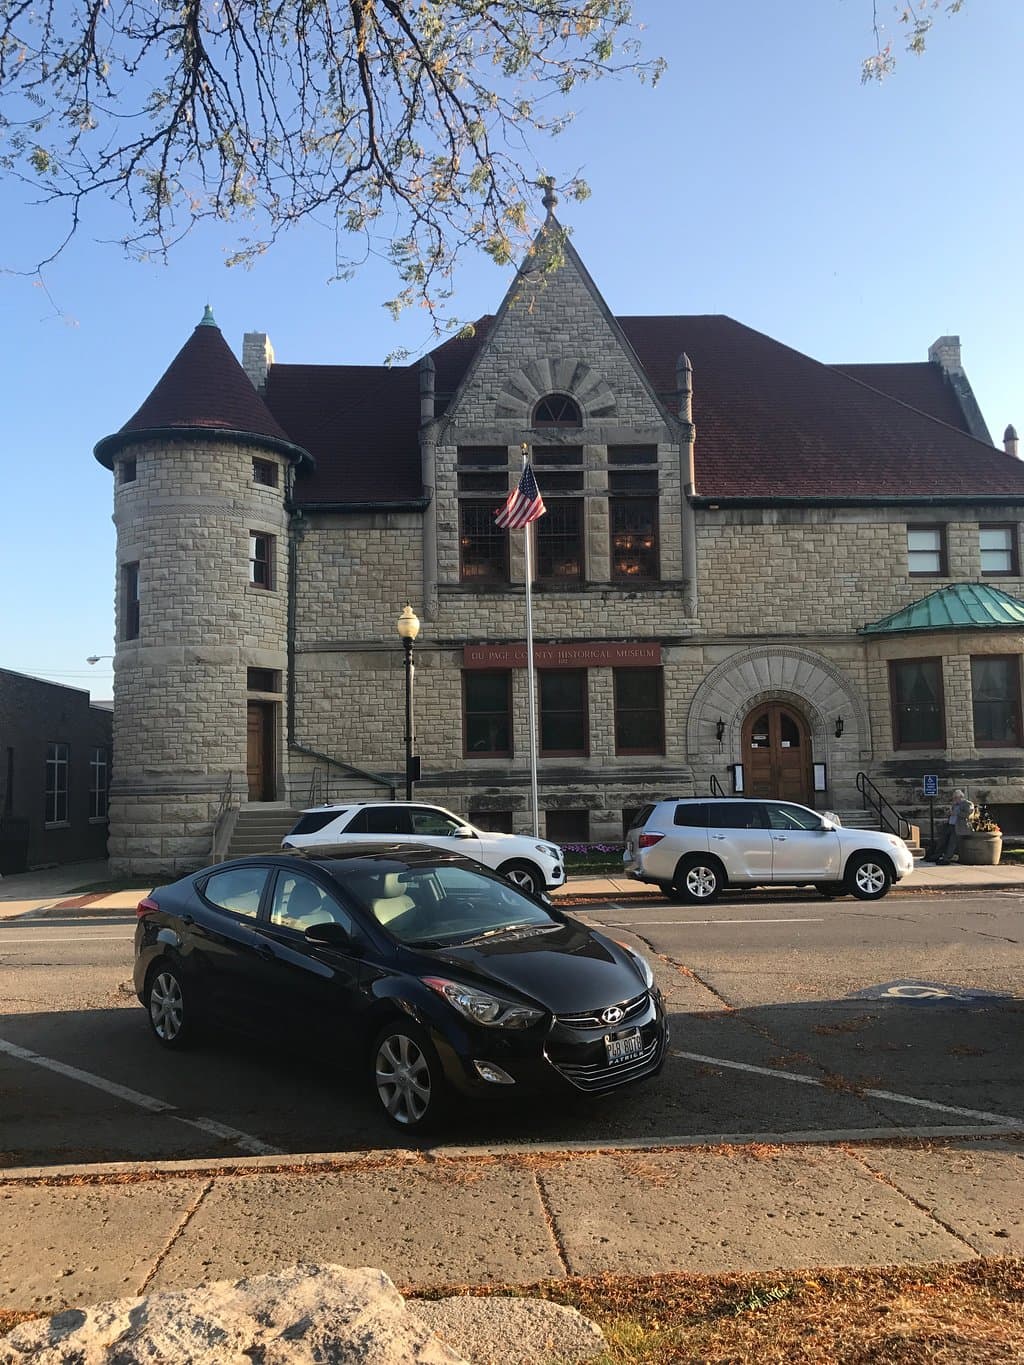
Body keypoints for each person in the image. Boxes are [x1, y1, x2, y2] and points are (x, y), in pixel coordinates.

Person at [935, 789, 974, 863]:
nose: (954, 799)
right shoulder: (954, 805)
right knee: (943, 840)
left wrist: (957, 813)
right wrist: (949, 813)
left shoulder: (968, 804)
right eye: (954, 798)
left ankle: (946, 859)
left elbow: (968, 815)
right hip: (950, 825)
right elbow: (952, 814)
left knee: (952, 843)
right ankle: (938, 855)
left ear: (961, 797)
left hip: (959, 827)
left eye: (956, 798)